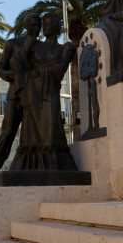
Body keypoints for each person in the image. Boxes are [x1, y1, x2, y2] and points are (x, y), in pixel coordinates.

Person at [9, 12, 79, 170]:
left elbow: (61, 69)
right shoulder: (34, 44)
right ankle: (31, 166)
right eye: (44, 24)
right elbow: (15, 62)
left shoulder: (65, 47)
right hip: (32, 92)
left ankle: (53, 166)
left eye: (48, 24)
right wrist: (25, 61)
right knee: (31, 132)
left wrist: (38, 71)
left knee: (51, 129)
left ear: (56, 27)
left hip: (50, 93)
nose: (44, 27)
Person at [0, 13, 41, 172]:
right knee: (8, 128)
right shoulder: (13, 44)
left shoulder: (43, 47)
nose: (36, 28)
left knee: (36, 130)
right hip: (16, 93)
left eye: (38, 25)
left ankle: (35, 163)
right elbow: (0, 69)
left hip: (35, 95)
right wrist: (15, 76)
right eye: (33, 25)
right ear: (26, 26)